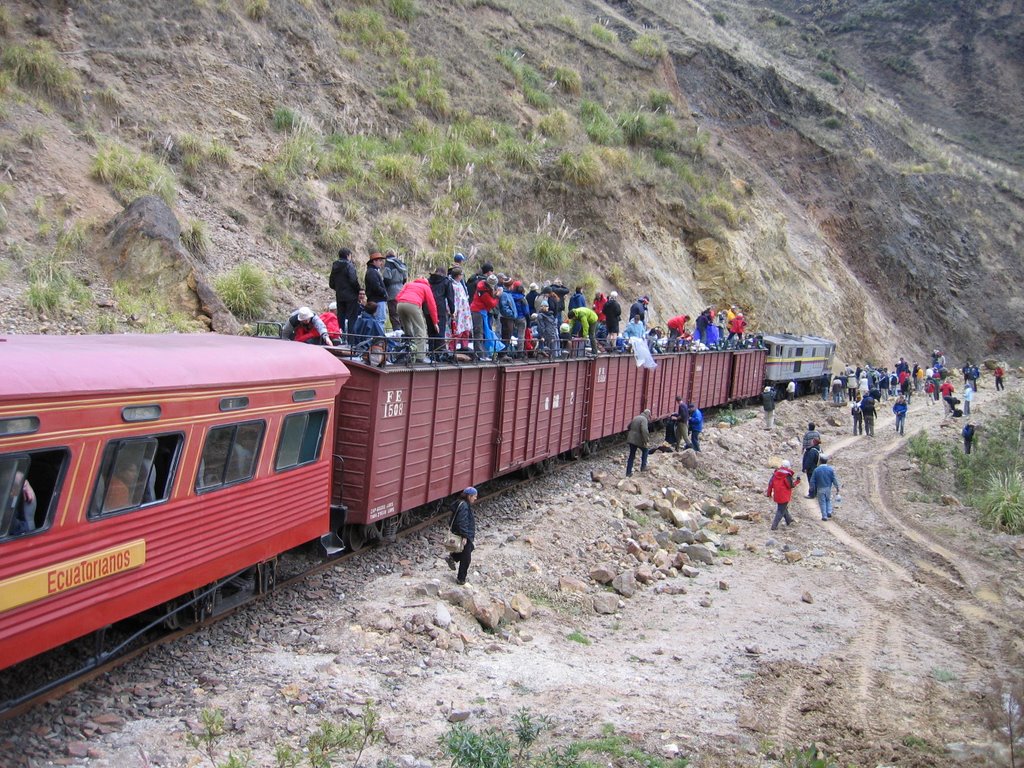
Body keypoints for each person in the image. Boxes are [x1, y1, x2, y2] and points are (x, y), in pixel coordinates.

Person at [395, 278, 439, 363]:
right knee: (421, 331)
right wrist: (435, 322)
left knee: (408, 331)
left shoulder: (409, 284)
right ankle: (420, 356)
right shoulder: (426, 287)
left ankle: (408, 352)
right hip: (413, 305)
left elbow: (397, 296)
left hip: (400, 305)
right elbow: (432, 305)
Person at [445, 487, 477, 585]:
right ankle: (461, 579)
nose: (475, 498)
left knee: (470, 547)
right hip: (463, 534)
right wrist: (464, 536)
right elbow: (462, 522)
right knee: (466, 558)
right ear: (469, 496)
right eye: (474, 496)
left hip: (463, 533)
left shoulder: (462, 504)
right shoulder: (464, 506)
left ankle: (453, 558)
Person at [328, 247, 360, 343]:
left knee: (340, 318)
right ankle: (351, 342)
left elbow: (331, 283)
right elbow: (353, 280)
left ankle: (340, 339)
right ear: (348, 255)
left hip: (340, 296)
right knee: (352, 319)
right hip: (351, 296)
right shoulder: (349, 266)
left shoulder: (335, 266)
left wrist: (338, 289)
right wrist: (358, 290)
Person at [427, 266, 454, 355]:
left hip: (428, 307)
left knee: (430, 332)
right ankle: (439, 354)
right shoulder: (446, 281)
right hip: (439, 308)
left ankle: (431, 353)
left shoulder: (429, 280)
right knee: (439, 331)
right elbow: (450, 298)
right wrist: (452, 311)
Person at [767, 459, 800, 531]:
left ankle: (789, 520)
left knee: (783, 508)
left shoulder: (775, 473)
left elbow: (770, 483)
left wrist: (769, 493)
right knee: (780, 510)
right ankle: (774, 526)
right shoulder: (787, 475)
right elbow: (790, 485)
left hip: (777, 495)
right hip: (784, 495)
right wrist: (797, 481)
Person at [382, 250, 409, 332]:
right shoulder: (401, 264)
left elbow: (387, 279)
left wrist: (384, 289)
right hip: (402, 291)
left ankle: (397, 335)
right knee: (402, 315)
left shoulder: (388, 264)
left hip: (392, 292)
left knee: (394, 315)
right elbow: (405, 279)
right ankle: (405, 334)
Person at [809, 455, 841, 521]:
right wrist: (837, 487)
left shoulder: (816, 470)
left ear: (820, 461)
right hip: (828, 488)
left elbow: (812, 480)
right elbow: (834, 479)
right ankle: (829, 511)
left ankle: (824, 516)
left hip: (820, 488)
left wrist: (812, 488)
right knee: (828, 500)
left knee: (822, 502)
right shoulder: (830, 469)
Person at [364, 250, 389, 327]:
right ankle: (379, 338)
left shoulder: (372, 271)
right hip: (378, 300)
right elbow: (376, 287)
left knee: (378, 320)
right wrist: (384, 293)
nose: (381, 263)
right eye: (379, 261)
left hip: (376, 300)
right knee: (380, 320)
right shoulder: (372, 272)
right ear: (374, 261)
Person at [625, 409, 652, 477]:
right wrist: (646, 440)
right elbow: (644, 430)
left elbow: (628, 426)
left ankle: (628, 473)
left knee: (631, 455)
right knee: (645, 450)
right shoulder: (644, 419)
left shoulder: (636, 417)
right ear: (648, 415)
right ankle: (643, 467)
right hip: (638, 439)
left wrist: (632, 432)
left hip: (631, 439)